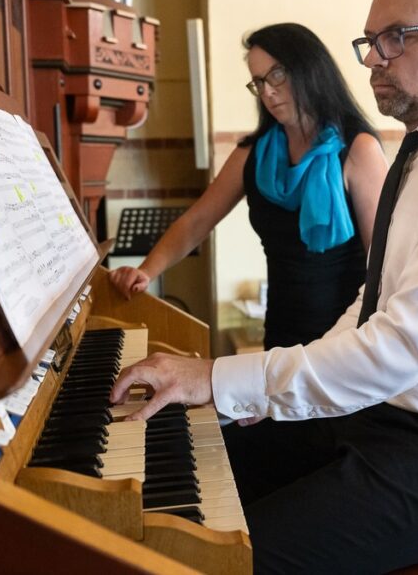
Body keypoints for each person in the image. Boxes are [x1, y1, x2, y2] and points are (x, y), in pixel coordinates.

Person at [110, 0, 418, 573]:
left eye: (398, 38)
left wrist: (218, 377)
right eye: (370, 42)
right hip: (390, 413)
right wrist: (250, 393)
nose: (374, 60)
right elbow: (374, 299)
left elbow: (399, 347)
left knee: (239, 558)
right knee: (205, 471)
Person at [109, 22, 387, 349]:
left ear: (308, 69)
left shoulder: (358, 150)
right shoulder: (253, 154)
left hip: (345, 341)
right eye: (258, 81)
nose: (267, 91)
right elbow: (196, 222)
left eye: (276, 75)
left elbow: (382, 264)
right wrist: (146, 271)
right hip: (281, 335)